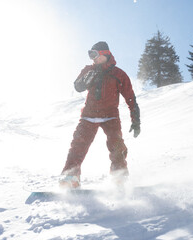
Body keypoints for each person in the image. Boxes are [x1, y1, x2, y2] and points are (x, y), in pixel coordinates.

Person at [60, 41, 140, 188]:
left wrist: (136, 120)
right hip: (88, 116)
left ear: (105, 54)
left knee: (117, 147)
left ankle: (119, 178)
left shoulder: (118, 74)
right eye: (90, 55)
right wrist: (84, 80)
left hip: (110, 116)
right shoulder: (89, 69)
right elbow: (78, 86)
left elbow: (130, 97)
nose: (93, 58)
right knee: (78, 146)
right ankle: (70, 177)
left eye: (95, 54)